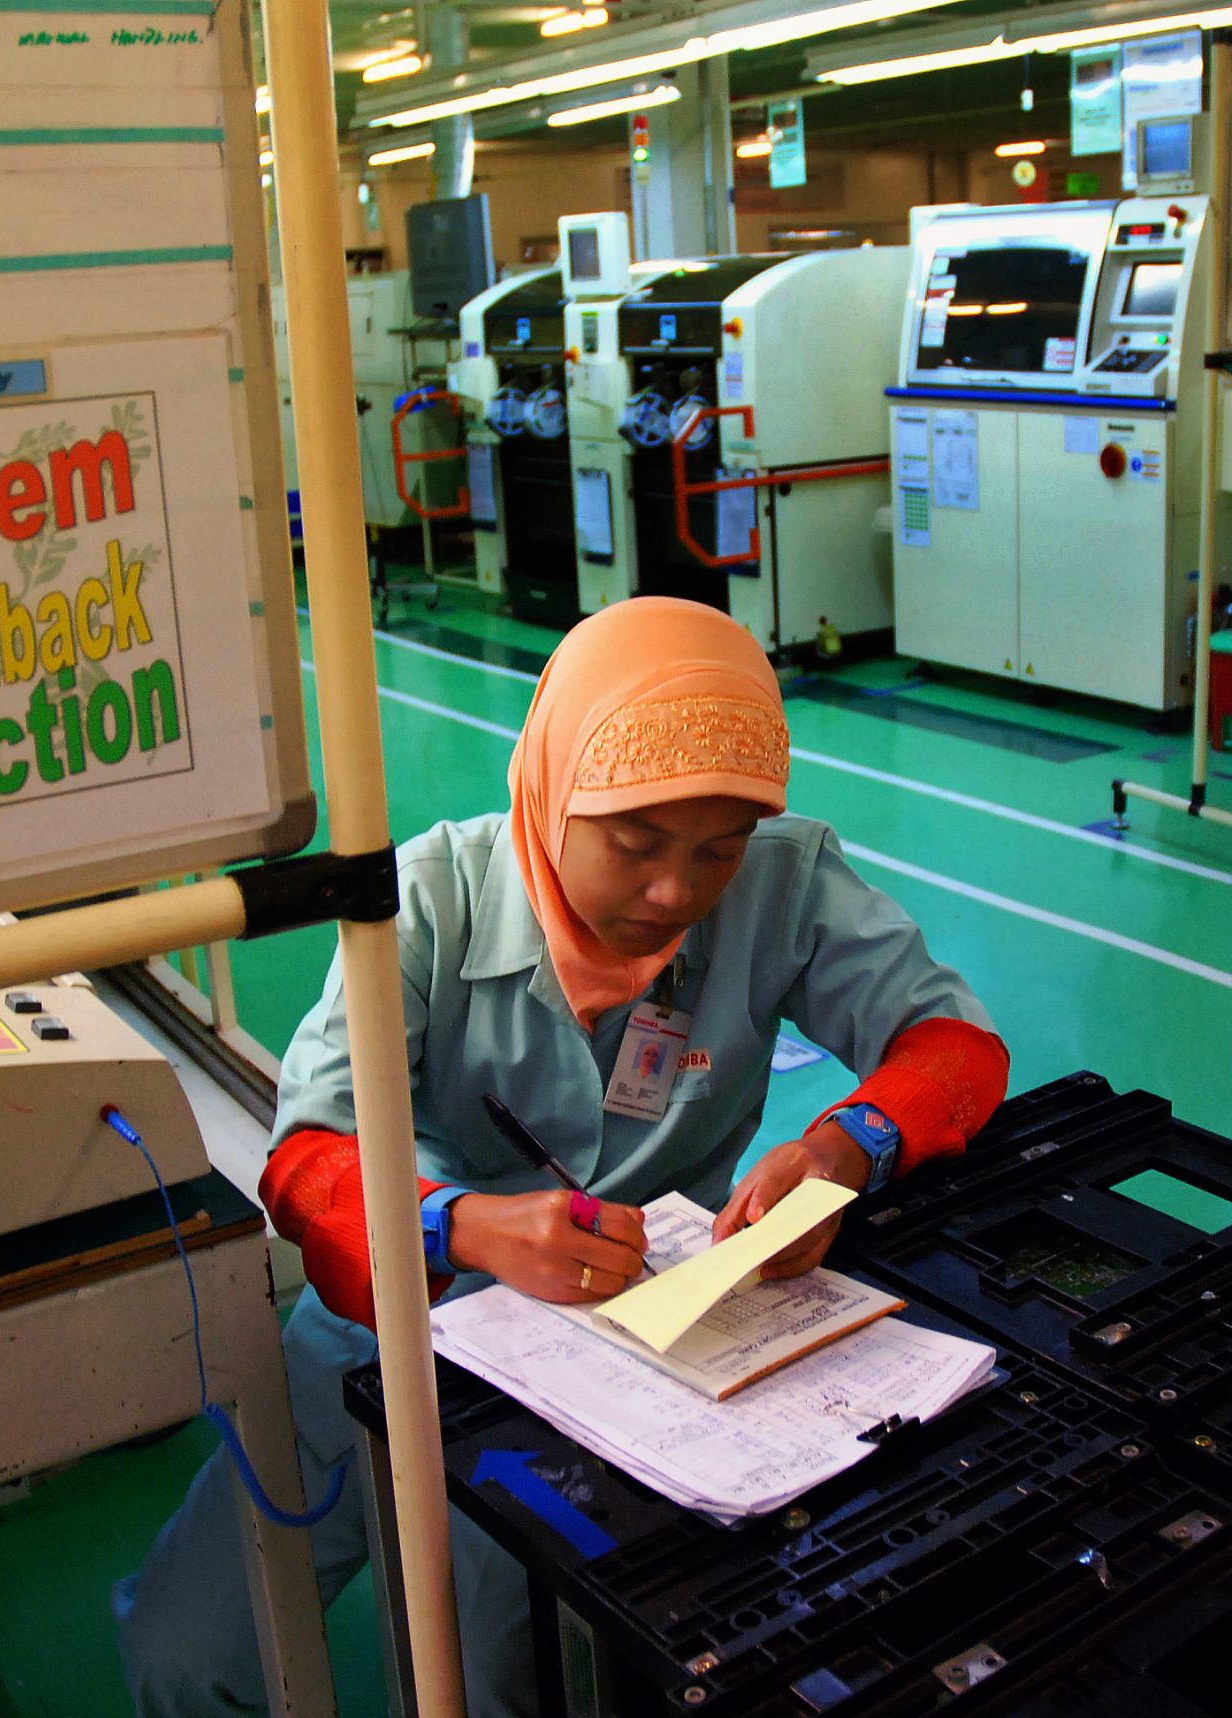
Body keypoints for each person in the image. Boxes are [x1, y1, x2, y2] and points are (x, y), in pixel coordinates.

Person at [115, 597, 1010, 1718]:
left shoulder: (785, 883)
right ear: (550, 788)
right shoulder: (428, 902)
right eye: (634, 845)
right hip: (384, 1338)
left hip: (629, 1360)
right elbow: (307, 1159)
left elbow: (955, 1045)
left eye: (716, 850)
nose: (677, 891)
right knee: (184, 1648)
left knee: (522, 1669)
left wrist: (845, 1145)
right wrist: (458, 1226)